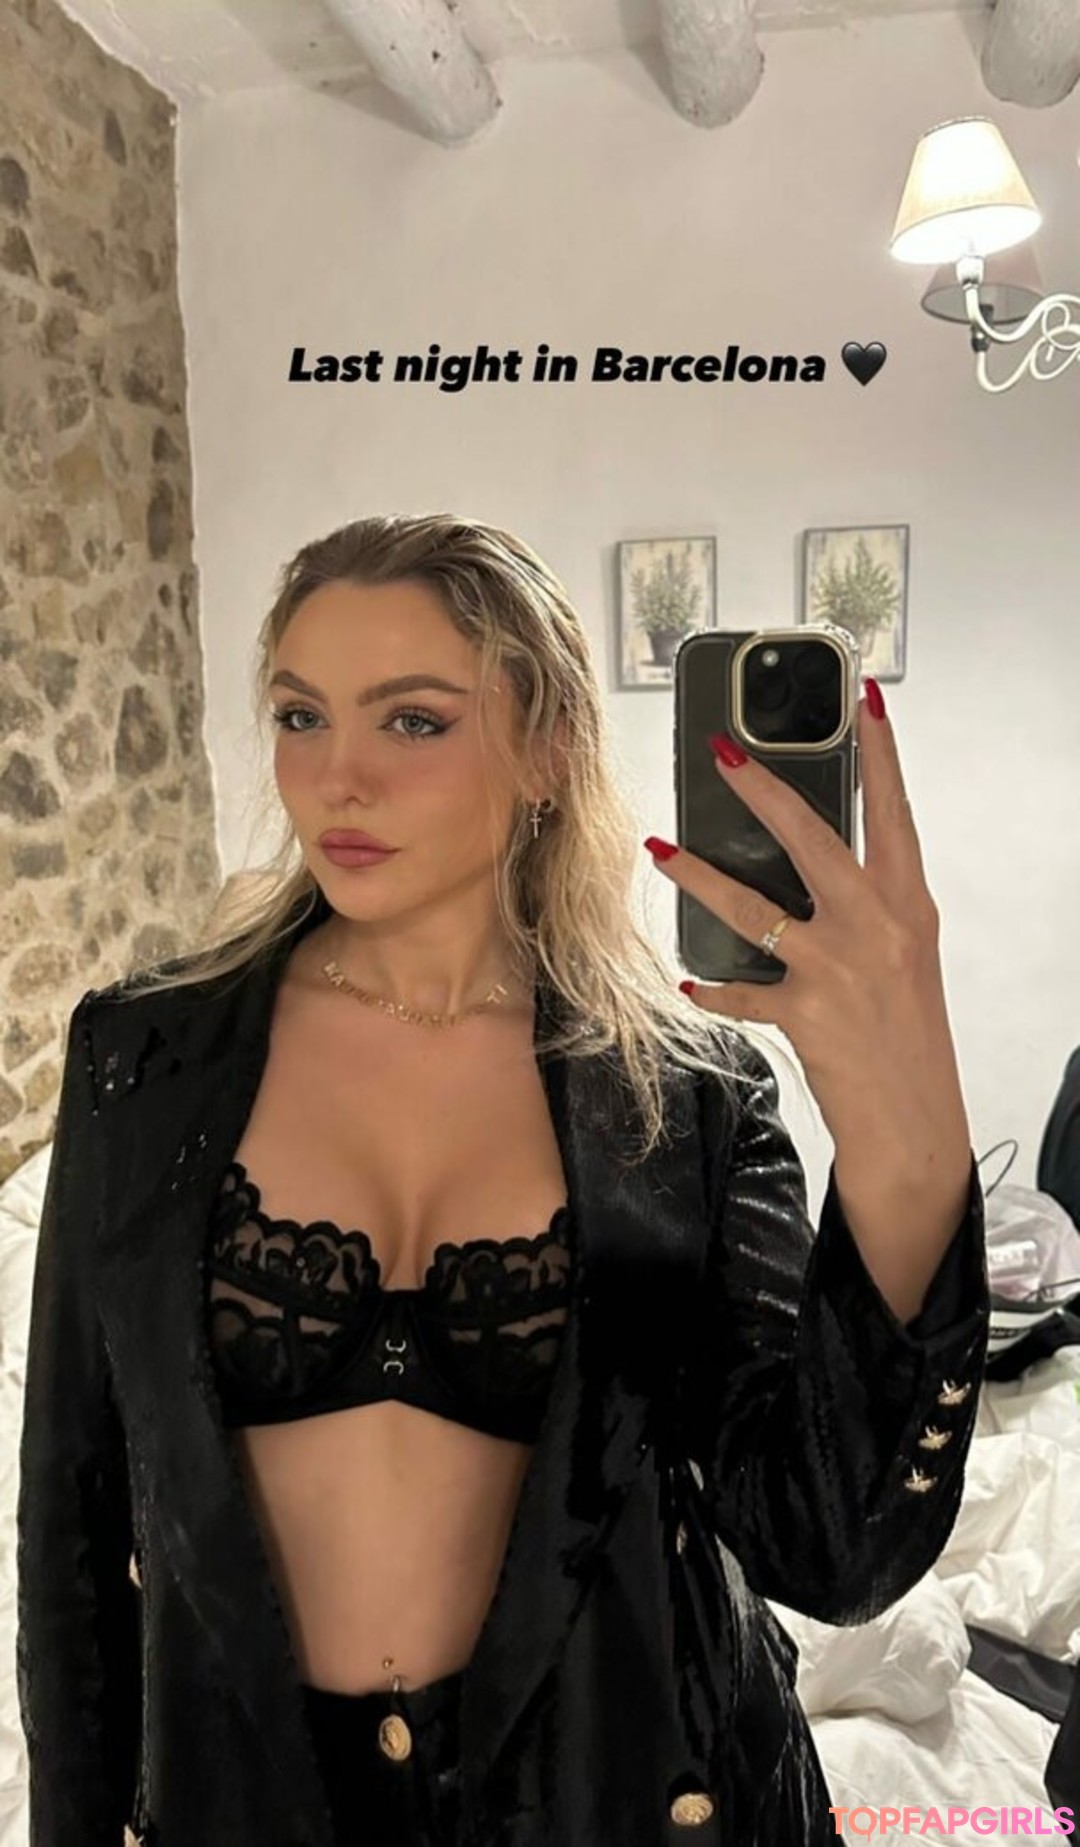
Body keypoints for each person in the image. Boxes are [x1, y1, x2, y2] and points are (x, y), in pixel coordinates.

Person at [17, 514, 989, 1847]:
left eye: (412, 721)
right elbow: (71, 1544)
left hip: (620, 1788)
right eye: (300, 717)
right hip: (252, 1801)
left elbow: (832, 1548)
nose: (336, 778)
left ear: (547, 747)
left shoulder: (684, 1097)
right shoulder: (141, 1063)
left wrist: (906, 1127)